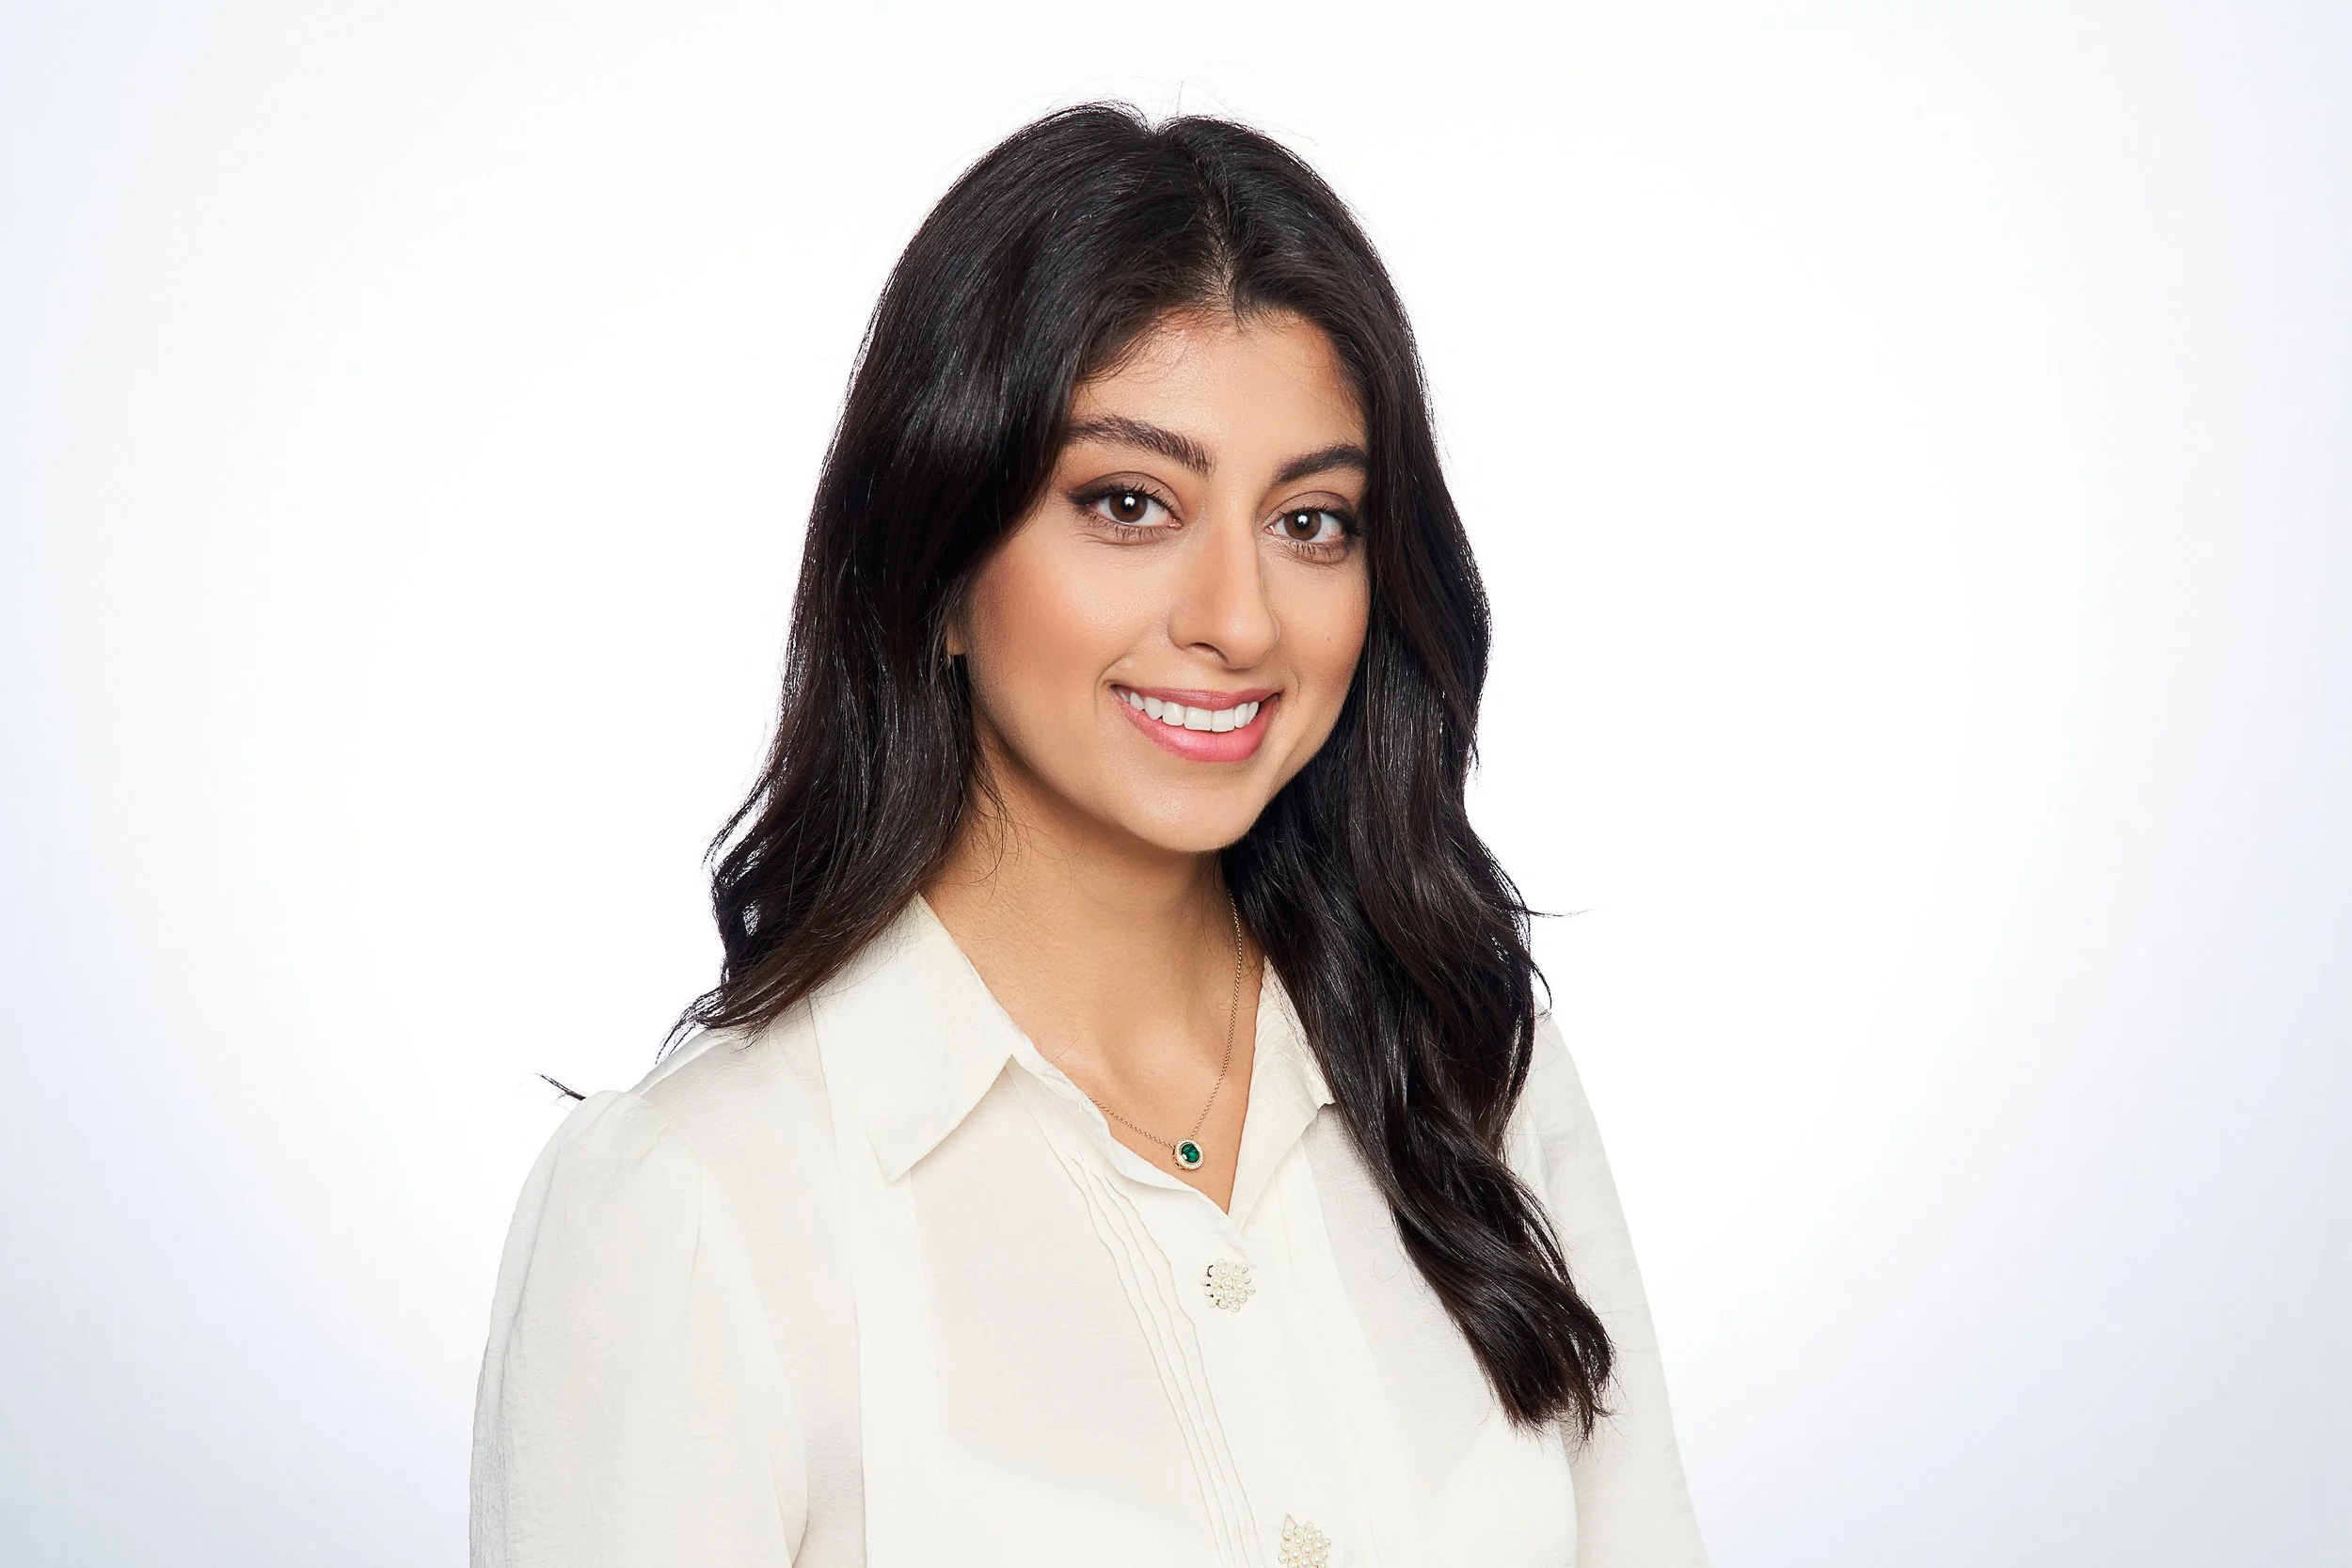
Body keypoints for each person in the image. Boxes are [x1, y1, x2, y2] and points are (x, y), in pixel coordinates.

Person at [469, 103, 1708, 1568]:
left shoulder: (1475, 1081)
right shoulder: (696, 1203)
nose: (1238, 619)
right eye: (1130, 504)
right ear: (936, 558)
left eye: (1312, 521)